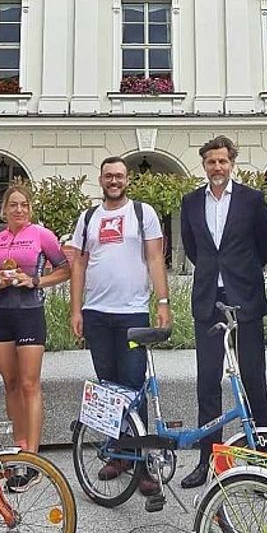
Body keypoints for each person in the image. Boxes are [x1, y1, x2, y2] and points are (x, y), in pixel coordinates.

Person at [66, 156, 171, 499]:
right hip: (97, 314)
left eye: (119, 176)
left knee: (133, 387)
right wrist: (75, 309)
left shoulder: (143, 213)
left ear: (127, 180)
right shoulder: (89, 218)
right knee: (109, 389)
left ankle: (141, 463)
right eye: (109, 175)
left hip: (131, 315)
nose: (114, 180)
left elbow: (155, 258)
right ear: (101, 180)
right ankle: (117, 453)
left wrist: (163, 302)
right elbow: (78, 264)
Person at [177, 135, 267, 488]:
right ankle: (209, 459)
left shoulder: (252, 200)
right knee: (208, 384)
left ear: (232, 163)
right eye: (210, 162)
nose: (216, 168)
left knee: (253, 380)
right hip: (208, 301)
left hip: (244, 301)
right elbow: (193, 248)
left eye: (222, 161)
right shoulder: (190, 202)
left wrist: (240, 273)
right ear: (203, 165)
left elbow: (264, 245)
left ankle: (263, 458)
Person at [0, 184, 70, 484]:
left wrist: (34, 281)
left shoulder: (41, 235)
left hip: (31, 314)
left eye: (24, 205)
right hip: (2, 316)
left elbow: (65, 269)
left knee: (30, 384)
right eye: (13, 205)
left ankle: (33, 457)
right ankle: (17, 449)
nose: (19, 210)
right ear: (4, 209)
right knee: (10, 383)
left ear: (30, 209)